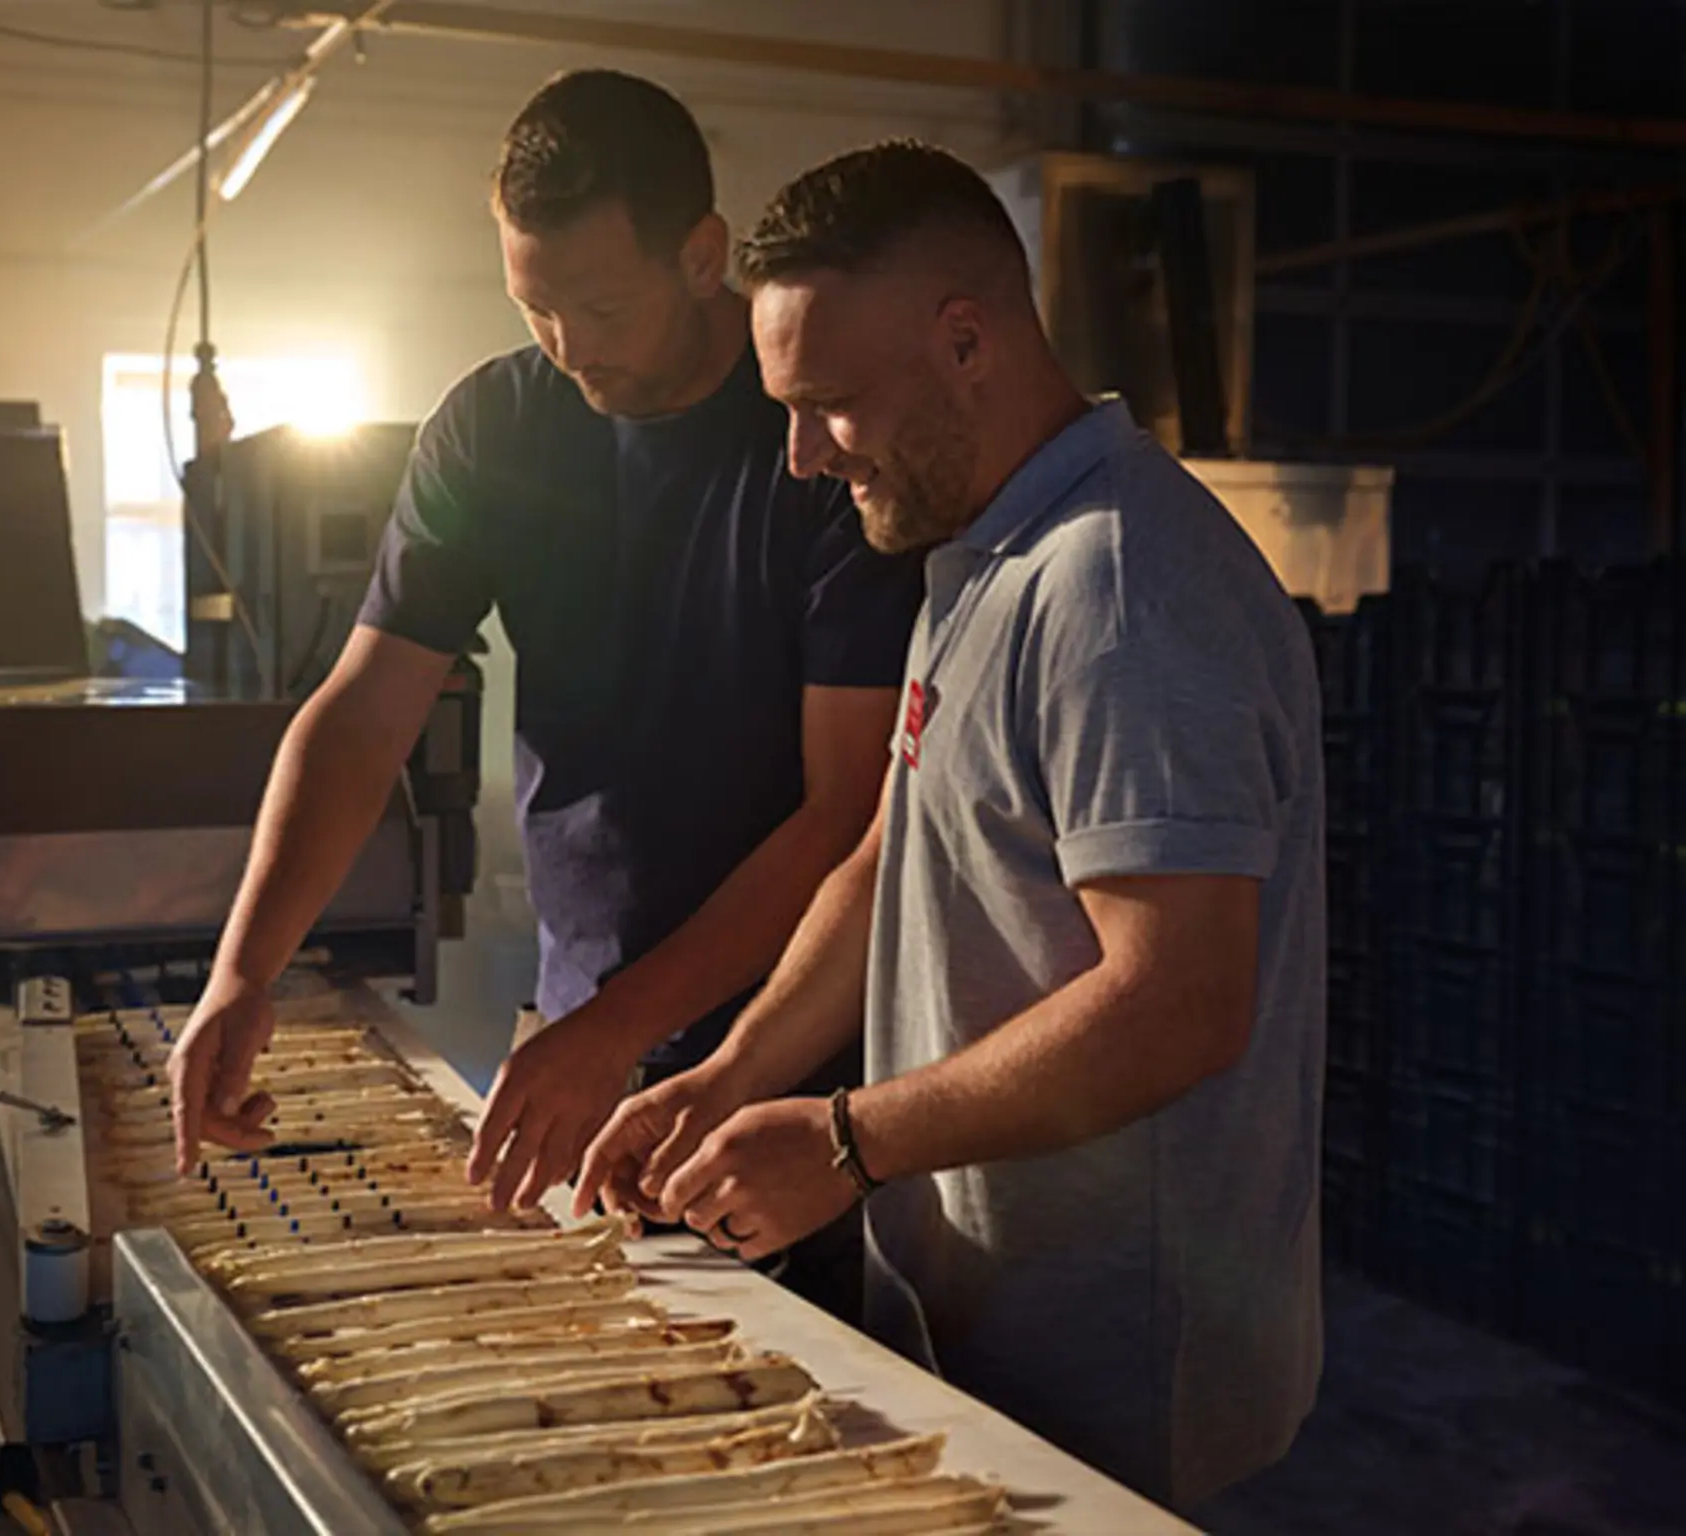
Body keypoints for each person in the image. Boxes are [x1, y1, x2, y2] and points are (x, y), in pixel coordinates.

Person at [575, 140, 1326, 1510]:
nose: (800, 456)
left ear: (967, 339)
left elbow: (1181, 1002)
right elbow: (892, 860)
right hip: (985, 1318)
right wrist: (734, 1073)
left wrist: (850, 1142)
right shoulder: (976, 560)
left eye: (832, 405)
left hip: (1114, 1361)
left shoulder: (1118, 589)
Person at [167, 73, 921, 1276]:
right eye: (535, 309)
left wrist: (619, 1033)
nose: (569, 350)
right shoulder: (494, 430)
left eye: (599, 307)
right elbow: (363, 715)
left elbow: (845, 814)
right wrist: (242, 972)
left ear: (700, 254)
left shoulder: (814, 443)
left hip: (796, 1045)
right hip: (581, 1014)